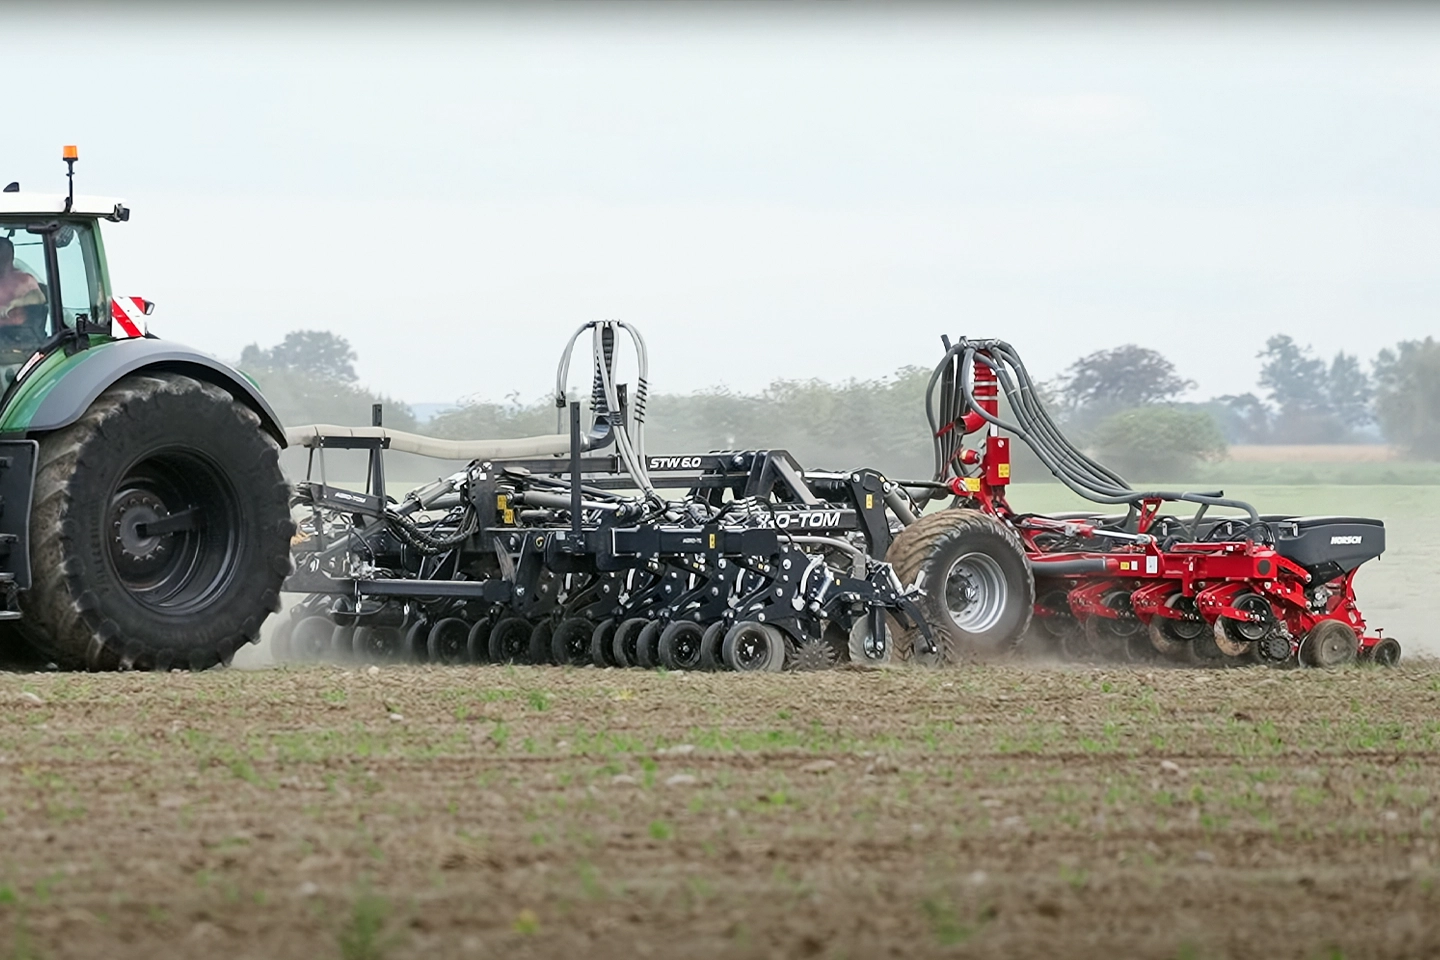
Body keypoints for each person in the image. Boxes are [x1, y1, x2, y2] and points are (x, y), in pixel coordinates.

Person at [0, 237, 44, 327]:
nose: (1, 262)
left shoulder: (24, 280)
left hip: (19, 336)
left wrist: (16, 303)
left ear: (11, 258)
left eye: (3, 257)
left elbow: (39, 297)